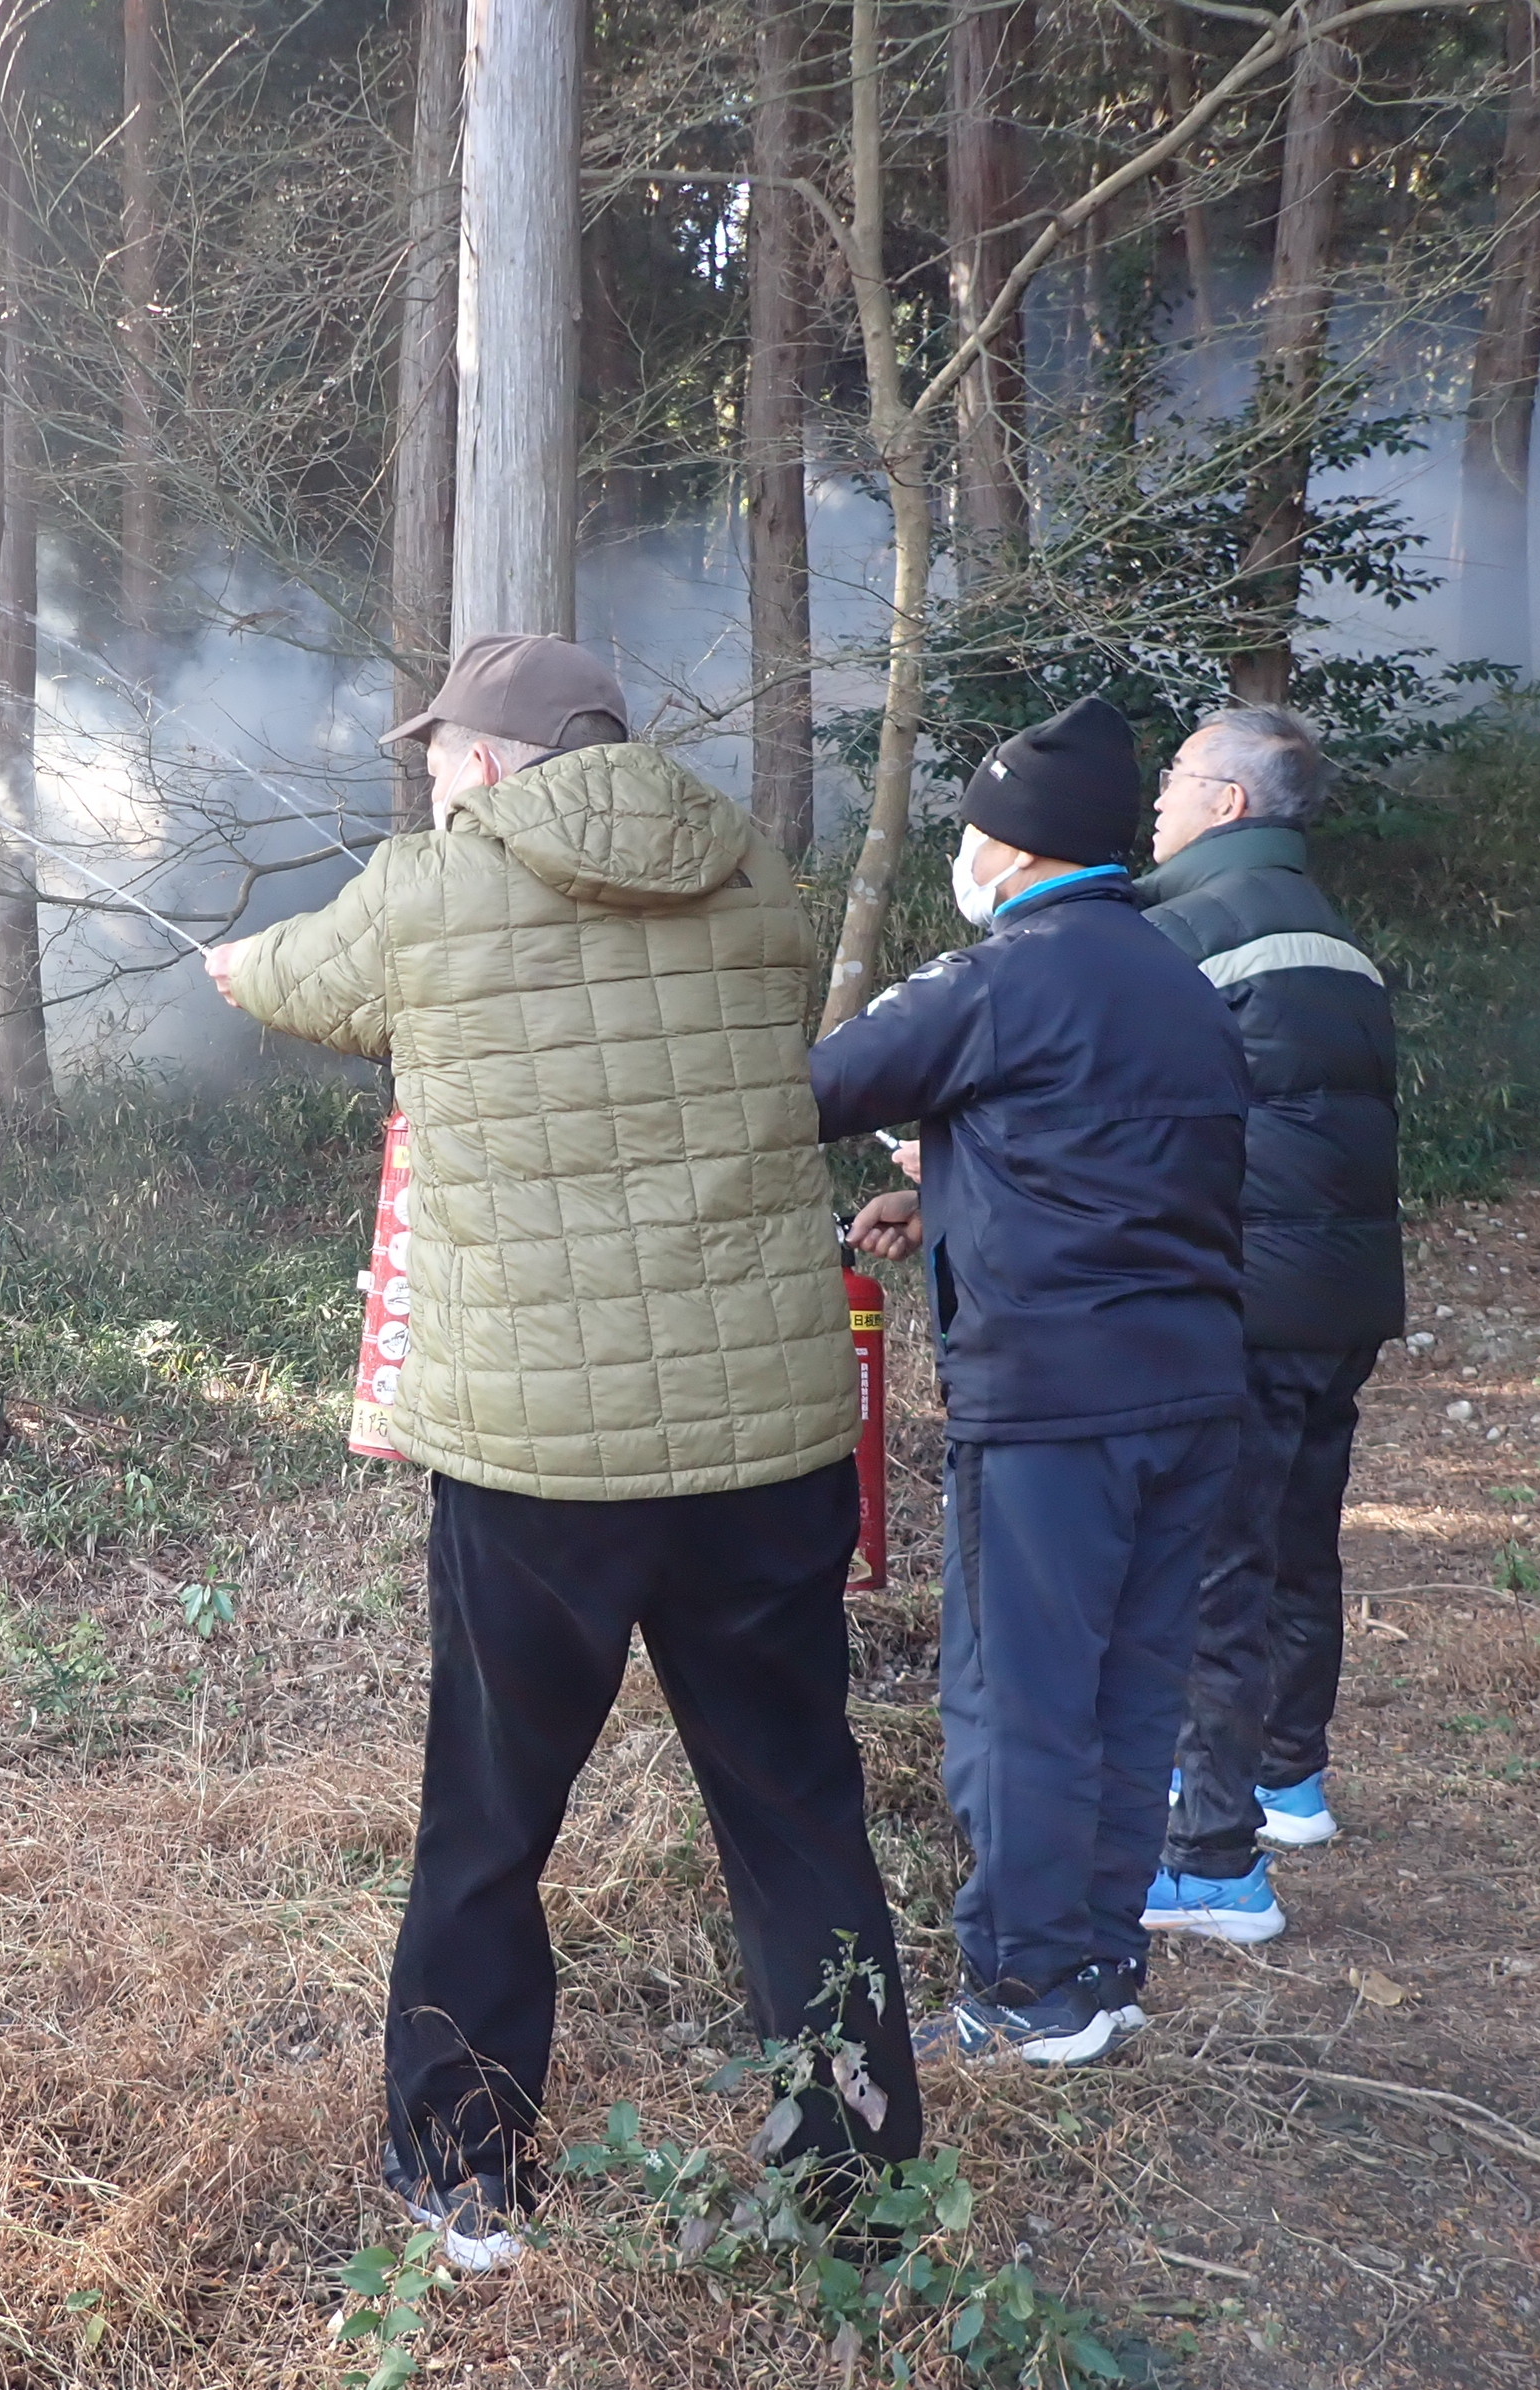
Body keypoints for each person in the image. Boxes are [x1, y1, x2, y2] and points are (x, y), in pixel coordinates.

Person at [206, 632, 921, 2271]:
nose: (437, 772)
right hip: (761, 1447)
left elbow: (296, 983)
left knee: (490, 1821)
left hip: (541, 1467)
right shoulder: (763, 886)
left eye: (450, 749)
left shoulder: (426, 890)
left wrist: (229, 965)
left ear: (503, 759)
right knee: (800, 1814)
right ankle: (860, 2191)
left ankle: (467, 2182)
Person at [810, 694, 1250, 2067]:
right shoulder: (1179, 976)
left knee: (1021, 1701)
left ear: (1007, 846)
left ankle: (1019, 1993)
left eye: (975, 831)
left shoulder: (999, 978)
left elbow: (810, 1089)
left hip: (1055, 1405)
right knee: (1131, 1690)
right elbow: (1110, 1166)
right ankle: (1101, 1972)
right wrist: (947, 1184)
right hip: (1190, 1391)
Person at [1134, 706, 1404, 1946]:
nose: (1156, 796)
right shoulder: (1333, 935)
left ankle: (1208, 1861)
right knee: (1298, 1543)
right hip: (1338, 1295)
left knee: (1217, 1571)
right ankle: (1291, 1781)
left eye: (1177, 775)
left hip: (1241, 1295)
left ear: (1229, 804)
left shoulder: (1184, 933)